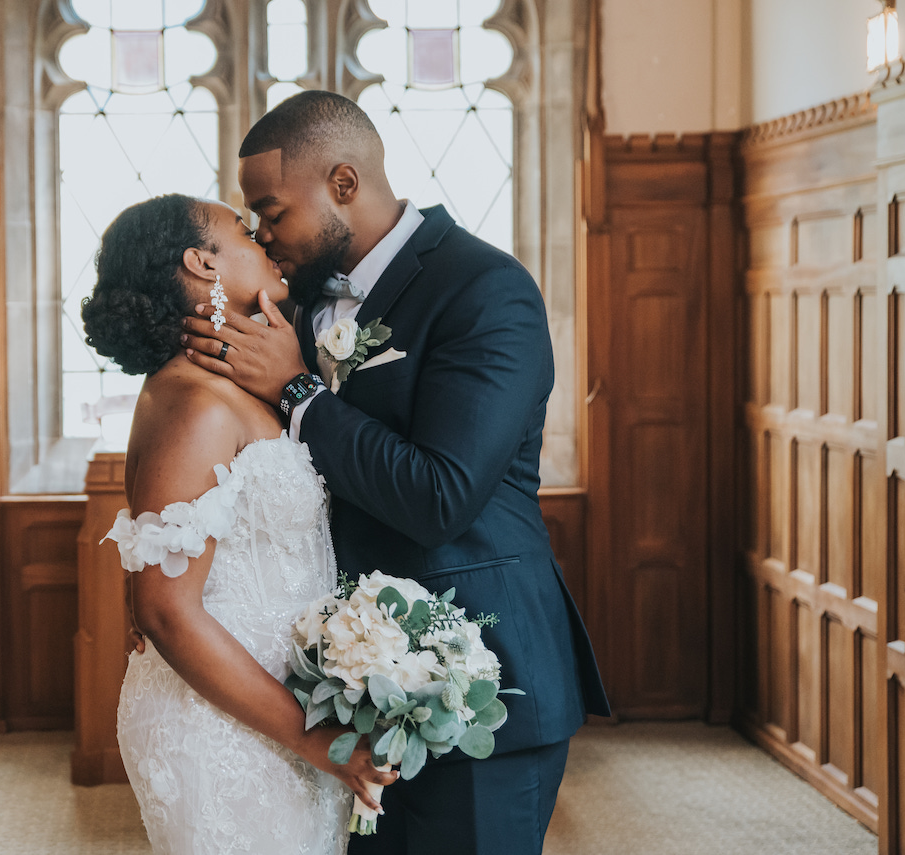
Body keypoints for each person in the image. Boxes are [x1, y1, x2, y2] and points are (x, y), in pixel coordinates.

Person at [179, 90, 611, 854]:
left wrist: (299, 389)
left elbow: (438, 494)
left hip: (481, 679)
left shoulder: (486, 290)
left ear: (343, 183)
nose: (263, 234)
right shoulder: (296, 298)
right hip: (344, 687)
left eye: (273, 211)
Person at [81, 193, 396, 855]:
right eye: (245, 234)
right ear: (203, 262)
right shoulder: (192, 400)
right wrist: (318, 741)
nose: (267, 244)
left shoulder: (229, 383)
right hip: (222, 727)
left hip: (274, 714)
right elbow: (165, 609)